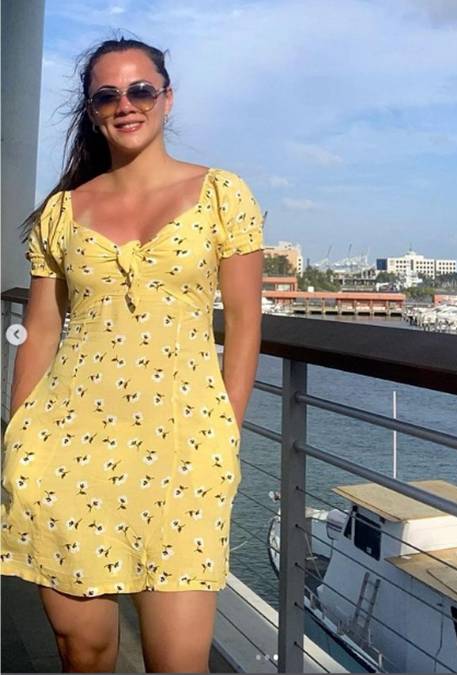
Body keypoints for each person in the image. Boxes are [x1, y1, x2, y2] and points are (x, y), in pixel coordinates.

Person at [0, 36, 264, 673]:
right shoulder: (62, 212)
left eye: (141, 89)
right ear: (92, 110)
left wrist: (222, 434)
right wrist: (17, 441)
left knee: (178, 660)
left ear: (167, 98)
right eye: (107, 95)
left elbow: (244, 326)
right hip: (65, 447)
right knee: (83, 650)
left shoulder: (223, 196)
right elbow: (40, 330)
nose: (126, 104)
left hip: (184, 452)